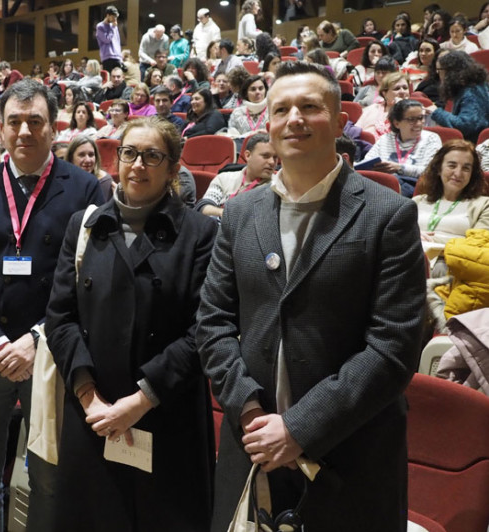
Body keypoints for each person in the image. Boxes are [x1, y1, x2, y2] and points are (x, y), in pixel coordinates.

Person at [197, 61, 425, 532]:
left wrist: (299, 427)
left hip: (349, 456)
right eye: (281, 109)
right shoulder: (240, 213)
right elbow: (213, 321)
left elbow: (393, 347)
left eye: (310, 107)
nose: (294, 118)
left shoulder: (389, 214)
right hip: (252, 443)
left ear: (341, 121)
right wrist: (251, 409)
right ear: (268, 125)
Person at [0, 79, 104, 532]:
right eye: (15, 121)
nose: (25, 131)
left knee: (50, 479)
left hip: (52, 358)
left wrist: (35, 340)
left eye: (36, 122)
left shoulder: (87, 190)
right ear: (1, 130)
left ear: (55, 128)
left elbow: (86, 280)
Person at [45, 116, 218, 531]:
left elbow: (204, 330)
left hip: (166, 416)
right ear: (116, 160)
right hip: (95, 419)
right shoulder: (84, 226)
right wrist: (92, 399)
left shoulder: (201, 233)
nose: (138, 164)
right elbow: (60, 317)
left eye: (152, 156)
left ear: (174, 168)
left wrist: (139, 401)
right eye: (129, 153)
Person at [414, 139, 489, 259]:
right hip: (411, 261)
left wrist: (431, 244)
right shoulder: (416, 202)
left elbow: (478, 247)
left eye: (466, 168)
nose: (458, 173)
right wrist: (413, 236)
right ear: (439, 168)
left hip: (452, 265)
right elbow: (397, 237)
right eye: (452, 166)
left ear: (472, 174)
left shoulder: (484, 205)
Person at [364, 99, 442, 197]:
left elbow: (431, 172)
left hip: (414, 188)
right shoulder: (386, 139)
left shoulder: (431, 138)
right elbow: (366, 163)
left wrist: (399, 168)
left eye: (421, 118)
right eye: (411, 119)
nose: (418, 123)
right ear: (397, 123)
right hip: (382, 185)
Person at [196, 132, 276, 218]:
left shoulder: (277, 187)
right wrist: (225, 214)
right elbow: (203, 207)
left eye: (275, 157)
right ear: (248, 155)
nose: (272, 162)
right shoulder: (224, 178)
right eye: (265, 156)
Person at [425, 50, 489, 143]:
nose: (438, 74)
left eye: (440, 70)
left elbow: (465, 126)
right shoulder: (475, 86)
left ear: (450, 72)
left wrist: (436, 112)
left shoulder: (471, 93)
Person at [356, 71, 411, 139]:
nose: (402, 91)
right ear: (384, 93)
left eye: (405, 88)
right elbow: (356, 133)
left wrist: (399, 109)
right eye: (397, 89)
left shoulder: (414, 112)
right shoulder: (371, 109)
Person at [65, 134, 114, 201]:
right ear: (71, 158)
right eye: (81, 155)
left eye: (91, 155)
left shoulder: (104, 182)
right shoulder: (63, 178)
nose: (88, 160)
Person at [408, 38, 442, 104]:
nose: (423, 54)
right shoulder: (409, 68)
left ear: (436, 53)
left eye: (428, 50)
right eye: (421, 50)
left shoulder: (439, 73)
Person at [96, 6, 123, 72]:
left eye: (116, 17)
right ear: (108, 15)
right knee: (109, 78)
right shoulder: (100, 26)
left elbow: (117, 41)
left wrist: (120, 57)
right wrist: (113, 28)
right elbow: (107, 40)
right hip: (107, 57)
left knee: (118, 79)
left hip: (117, 57)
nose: (115, 19)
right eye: (113, 16)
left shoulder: (114, 26)